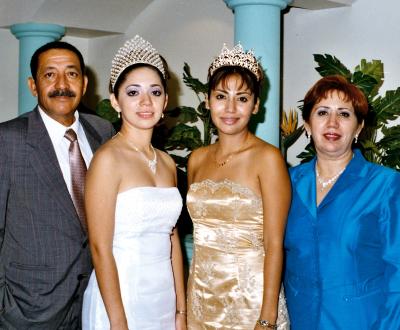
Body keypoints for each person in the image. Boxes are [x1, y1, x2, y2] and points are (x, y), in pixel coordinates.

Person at [0, 41, 115, 329]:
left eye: (72, 74)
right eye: (49, 75)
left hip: (93, 303)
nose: (61, 84)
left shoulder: (103, 133)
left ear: (85, 83)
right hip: (27, 311)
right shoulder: (7, 140)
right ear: (33, 85)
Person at [82, 35, 187, 330]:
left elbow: (172, 238)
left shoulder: (167, 163)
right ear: (115, 100)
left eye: (155, 92)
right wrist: (118, 322)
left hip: (163, 299)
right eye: (133, 92)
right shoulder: (107, 160)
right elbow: (100, 247)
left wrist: (181, 310)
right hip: (121, 297)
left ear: (165, 101)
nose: (145, 102)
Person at [186, 43, 291, 329]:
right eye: (221, 96)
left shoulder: (267, 159)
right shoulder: (196, 159)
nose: (230, 108)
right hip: (201, 298)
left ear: (255, 105)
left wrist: (267, 317)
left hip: (250, 302)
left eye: (242, 98)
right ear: (207, 101)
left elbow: (274, 244)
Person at [284, 75, 400, 329]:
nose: (332, 123)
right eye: (322, 112)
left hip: (361, 322)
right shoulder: (287, 183)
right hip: (299, 320)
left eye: (344, 114)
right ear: (307, 124)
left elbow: (398, 271)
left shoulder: (385, 185)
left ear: (358, 127)